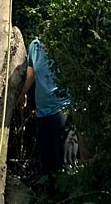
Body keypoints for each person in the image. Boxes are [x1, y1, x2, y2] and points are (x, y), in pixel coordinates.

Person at [22, 35, 73, 182]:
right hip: (42, 111)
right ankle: (49, 195)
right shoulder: (35, 47)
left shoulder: (64, 46)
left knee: (63, 157)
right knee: (46, 157)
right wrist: (22, 94)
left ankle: (64, 198)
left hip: (61, 108)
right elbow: (31, 73)